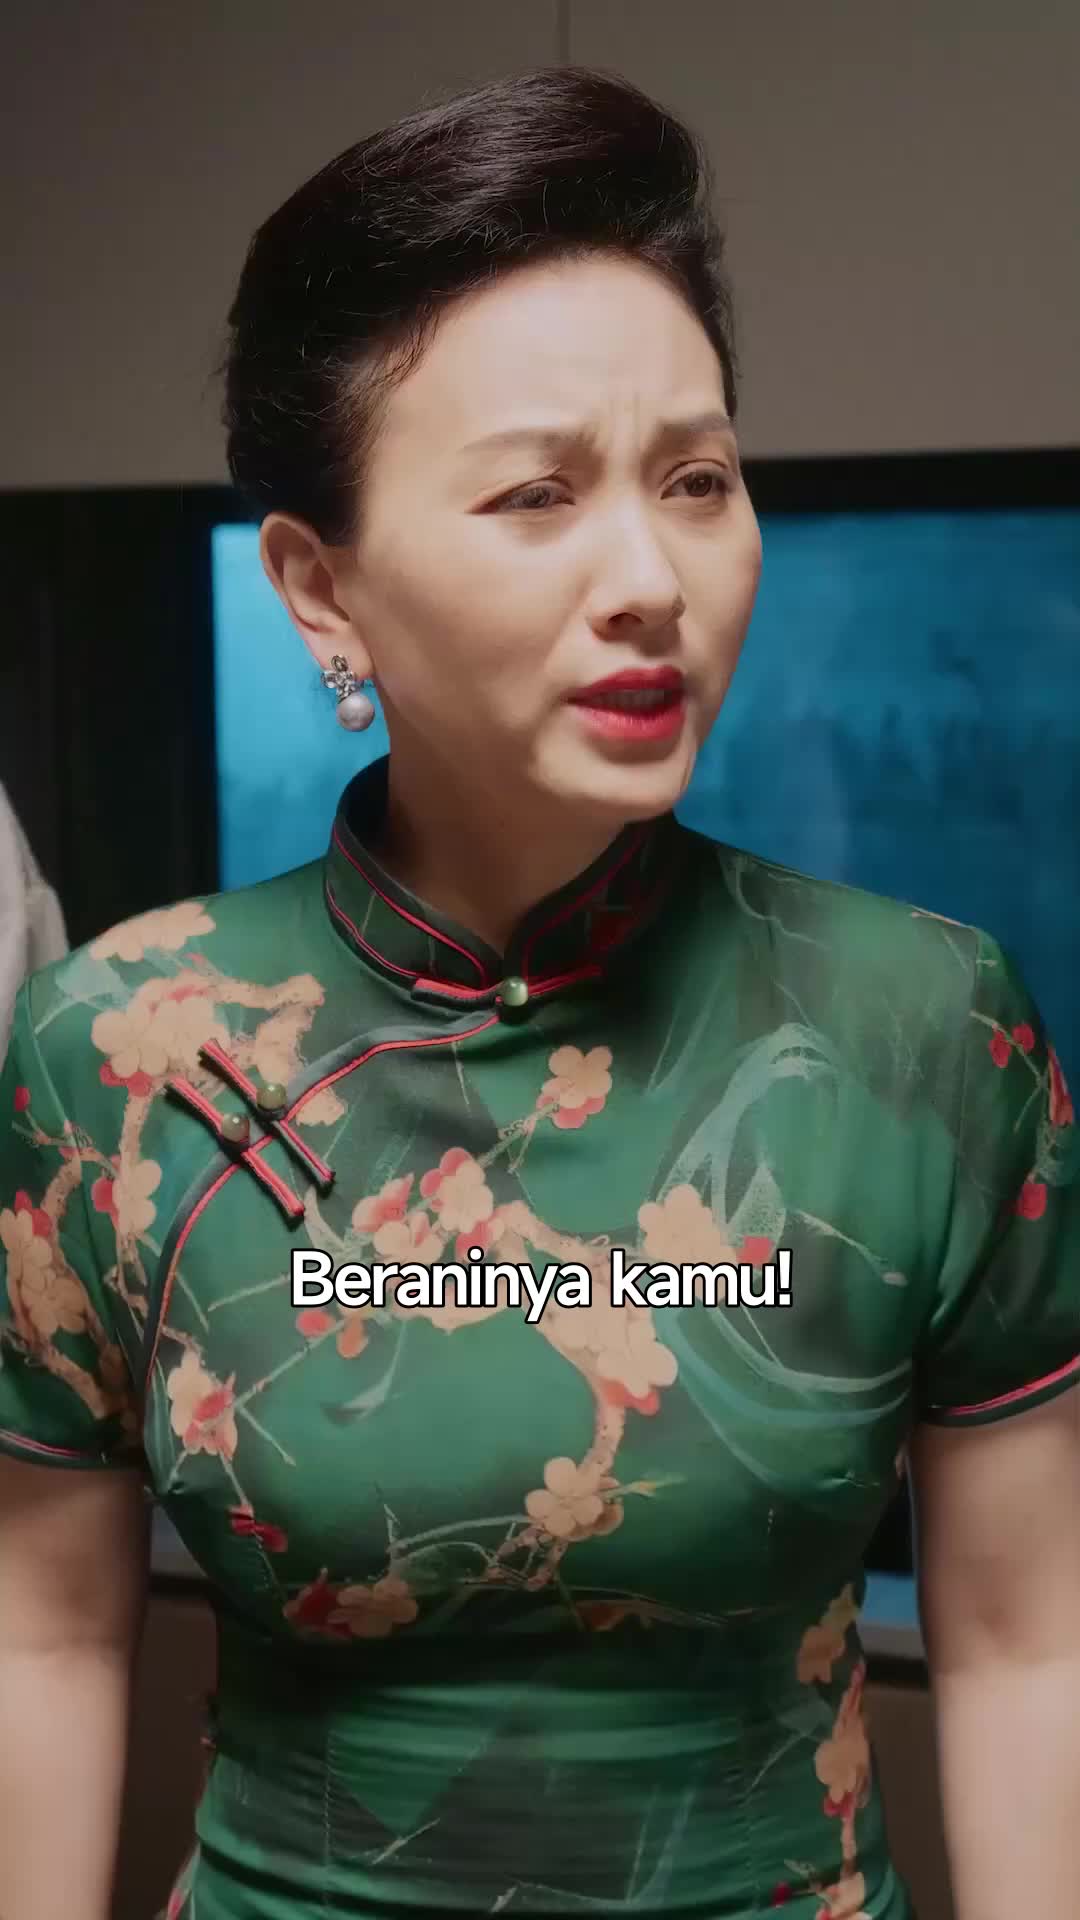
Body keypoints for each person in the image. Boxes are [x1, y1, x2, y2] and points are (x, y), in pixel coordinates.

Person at [1, 64, 1078, 1920]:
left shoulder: (927, 1026)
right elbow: (43, 1639)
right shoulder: (124, 1049)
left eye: (698, 481)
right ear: (319, 588)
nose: (651, 578)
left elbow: (1026, 1641)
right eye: (537, 494)